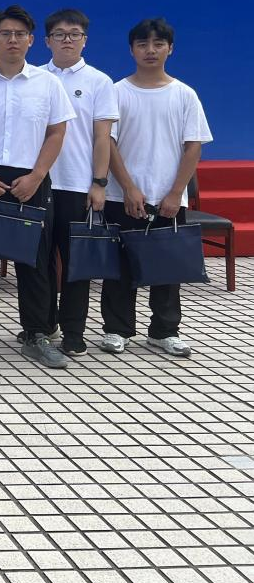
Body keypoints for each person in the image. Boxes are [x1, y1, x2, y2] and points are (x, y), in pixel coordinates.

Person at [0, 5, 74, 370]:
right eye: (5, 34)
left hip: (30, 181)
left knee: (34, 261)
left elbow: (57, 132)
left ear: (32, 40)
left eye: (20, 34)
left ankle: (36, 333)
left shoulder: (47, 83)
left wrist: (37, 175)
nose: (13, 40)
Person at [100, 18, 212, 358]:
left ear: (170, 49)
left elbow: (193, 146)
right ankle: (117, 329)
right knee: (119, 266)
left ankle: (165, 331)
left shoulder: (184, 94)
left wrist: (175, 192)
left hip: (168, 197)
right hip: (122, 195)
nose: (151, 50)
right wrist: (128, 187)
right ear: (131, 49)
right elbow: (108, 144)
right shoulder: (117, 92)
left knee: (167, 265)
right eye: (143, 44)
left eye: (158, 44)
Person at [42, 9, 119, 357]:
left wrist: (99, 182)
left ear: (85, 40)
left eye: (74, 34)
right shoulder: (35, 77)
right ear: (47, 41)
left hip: (77, 185)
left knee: (76, 264)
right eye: (59, 34)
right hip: (39, 184)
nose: (67, 40)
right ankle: (43, 324)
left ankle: (73, 330)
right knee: (39, 261)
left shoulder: (99, 82)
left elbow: (103, 138)